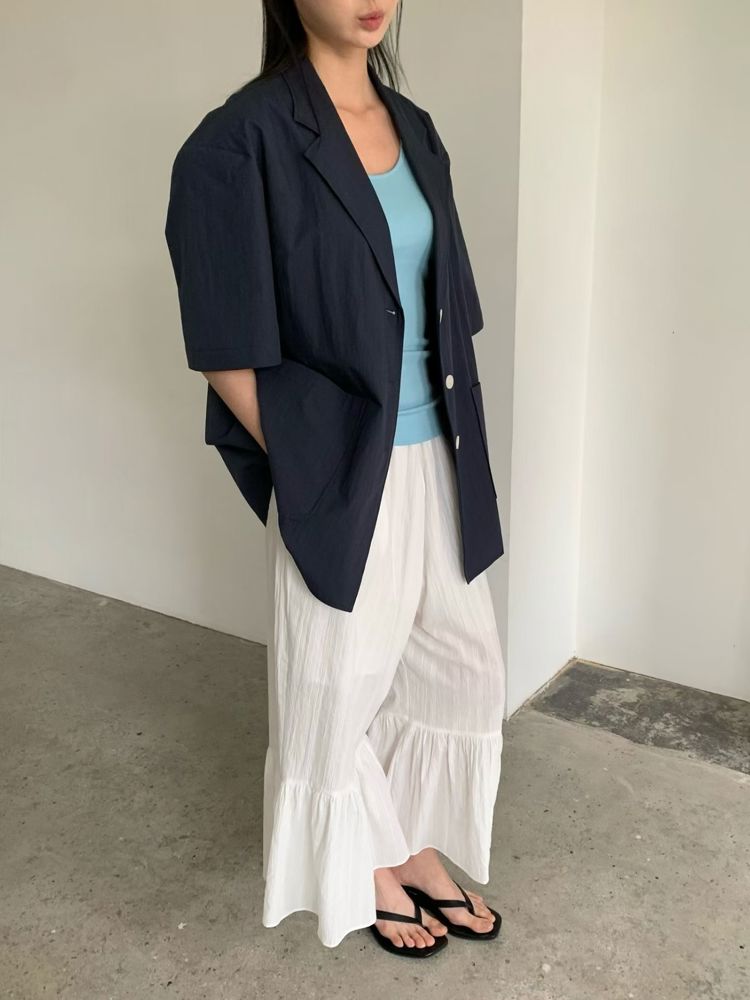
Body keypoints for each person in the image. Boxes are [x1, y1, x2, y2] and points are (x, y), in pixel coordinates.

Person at [164, 0, 507, 959]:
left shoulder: (415, 127)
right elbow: (223, 344)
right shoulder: (238, 142)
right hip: (346, 461)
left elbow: (444, 300)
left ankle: (409, 840)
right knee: (337, 678)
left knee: (460, 664)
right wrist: (308, 458)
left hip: (443, 446)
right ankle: (365, 865)